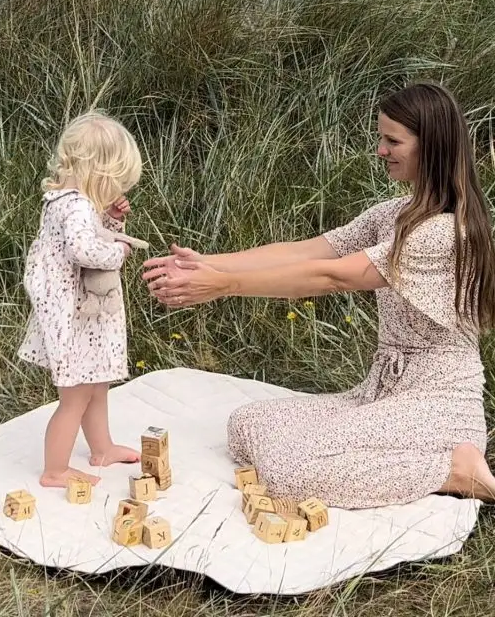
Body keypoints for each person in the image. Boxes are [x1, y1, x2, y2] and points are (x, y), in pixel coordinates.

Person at [142, 82, 495, 508]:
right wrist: (210, 264)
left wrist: (224, 286)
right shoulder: (391, 216)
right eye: (381, 137)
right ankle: (433, 461)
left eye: (393, 140)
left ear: (432, 146)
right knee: (247, 424)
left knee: (288, 469)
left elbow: (333, 276)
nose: (380, 150)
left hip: (436, 403)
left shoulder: (444, 232)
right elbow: (306, 251)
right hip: (382, 391)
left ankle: (455, 469)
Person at [18, 112, 142, 488]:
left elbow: (92, 233)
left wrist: (112, 222)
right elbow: (85, 249)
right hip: (72, 317)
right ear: (100, 173)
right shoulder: (74, 205)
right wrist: (120, 251)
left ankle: (101, 447)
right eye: (116, 181)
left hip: (82, 312)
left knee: (97, 382)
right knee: (76, 395)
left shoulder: (74, 202)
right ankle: (55, 470)